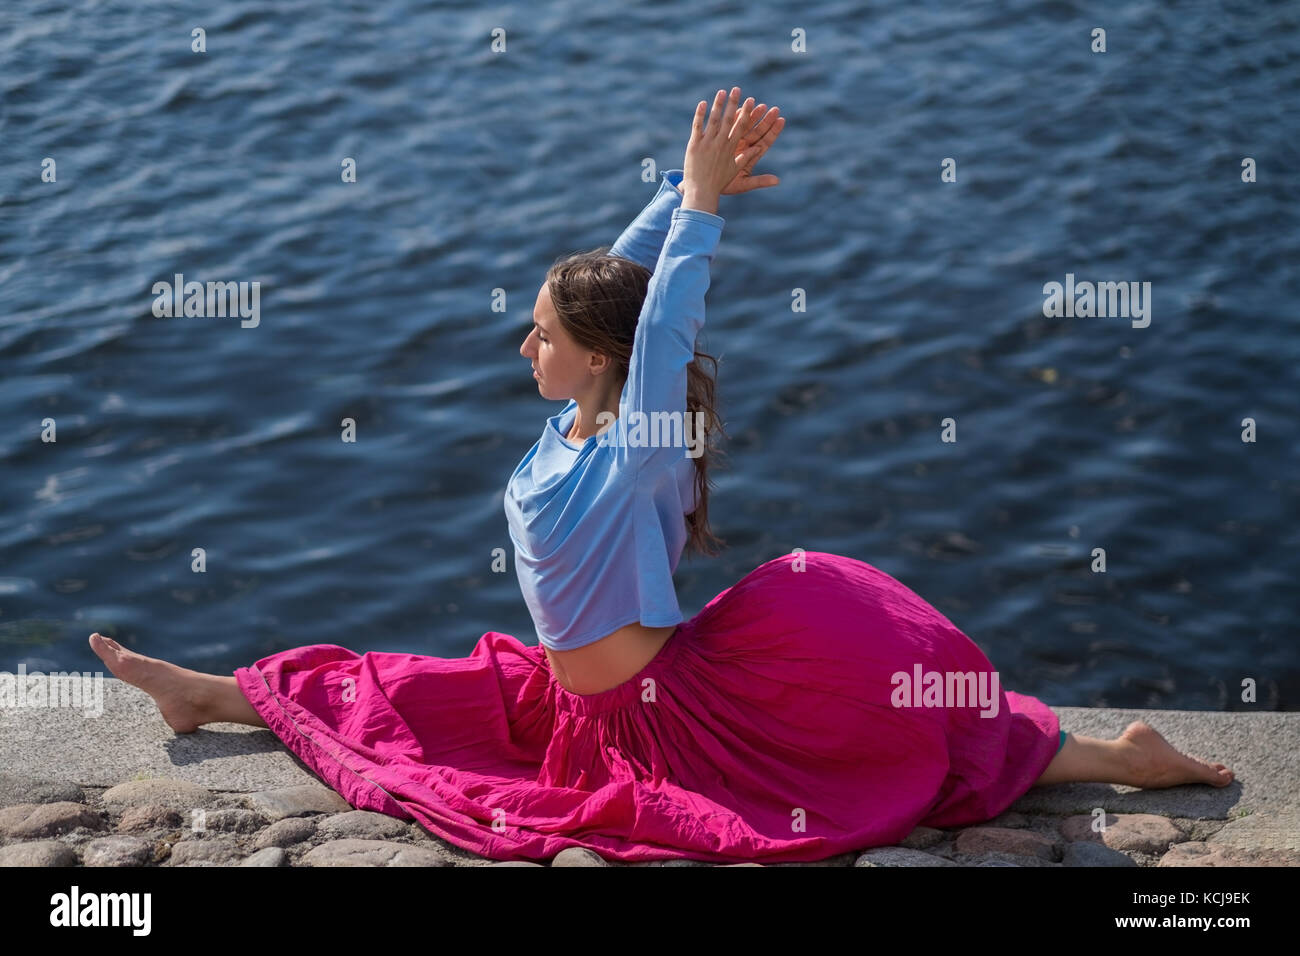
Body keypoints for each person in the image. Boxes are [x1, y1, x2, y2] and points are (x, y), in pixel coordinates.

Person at [89, 87, 1233, 865]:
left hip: (657, 717)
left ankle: (1112, 757)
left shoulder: (638, 440)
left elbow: (666, 314)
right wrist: (689, 190)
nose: (520, 346)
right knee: (380, 690)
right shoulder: (584, 418)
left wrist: (699, 214)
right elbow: (628, 281)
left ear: (593, 356)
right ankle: (211, 691)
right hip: (568, 691)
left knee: (892, 764)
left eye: (538, 332)